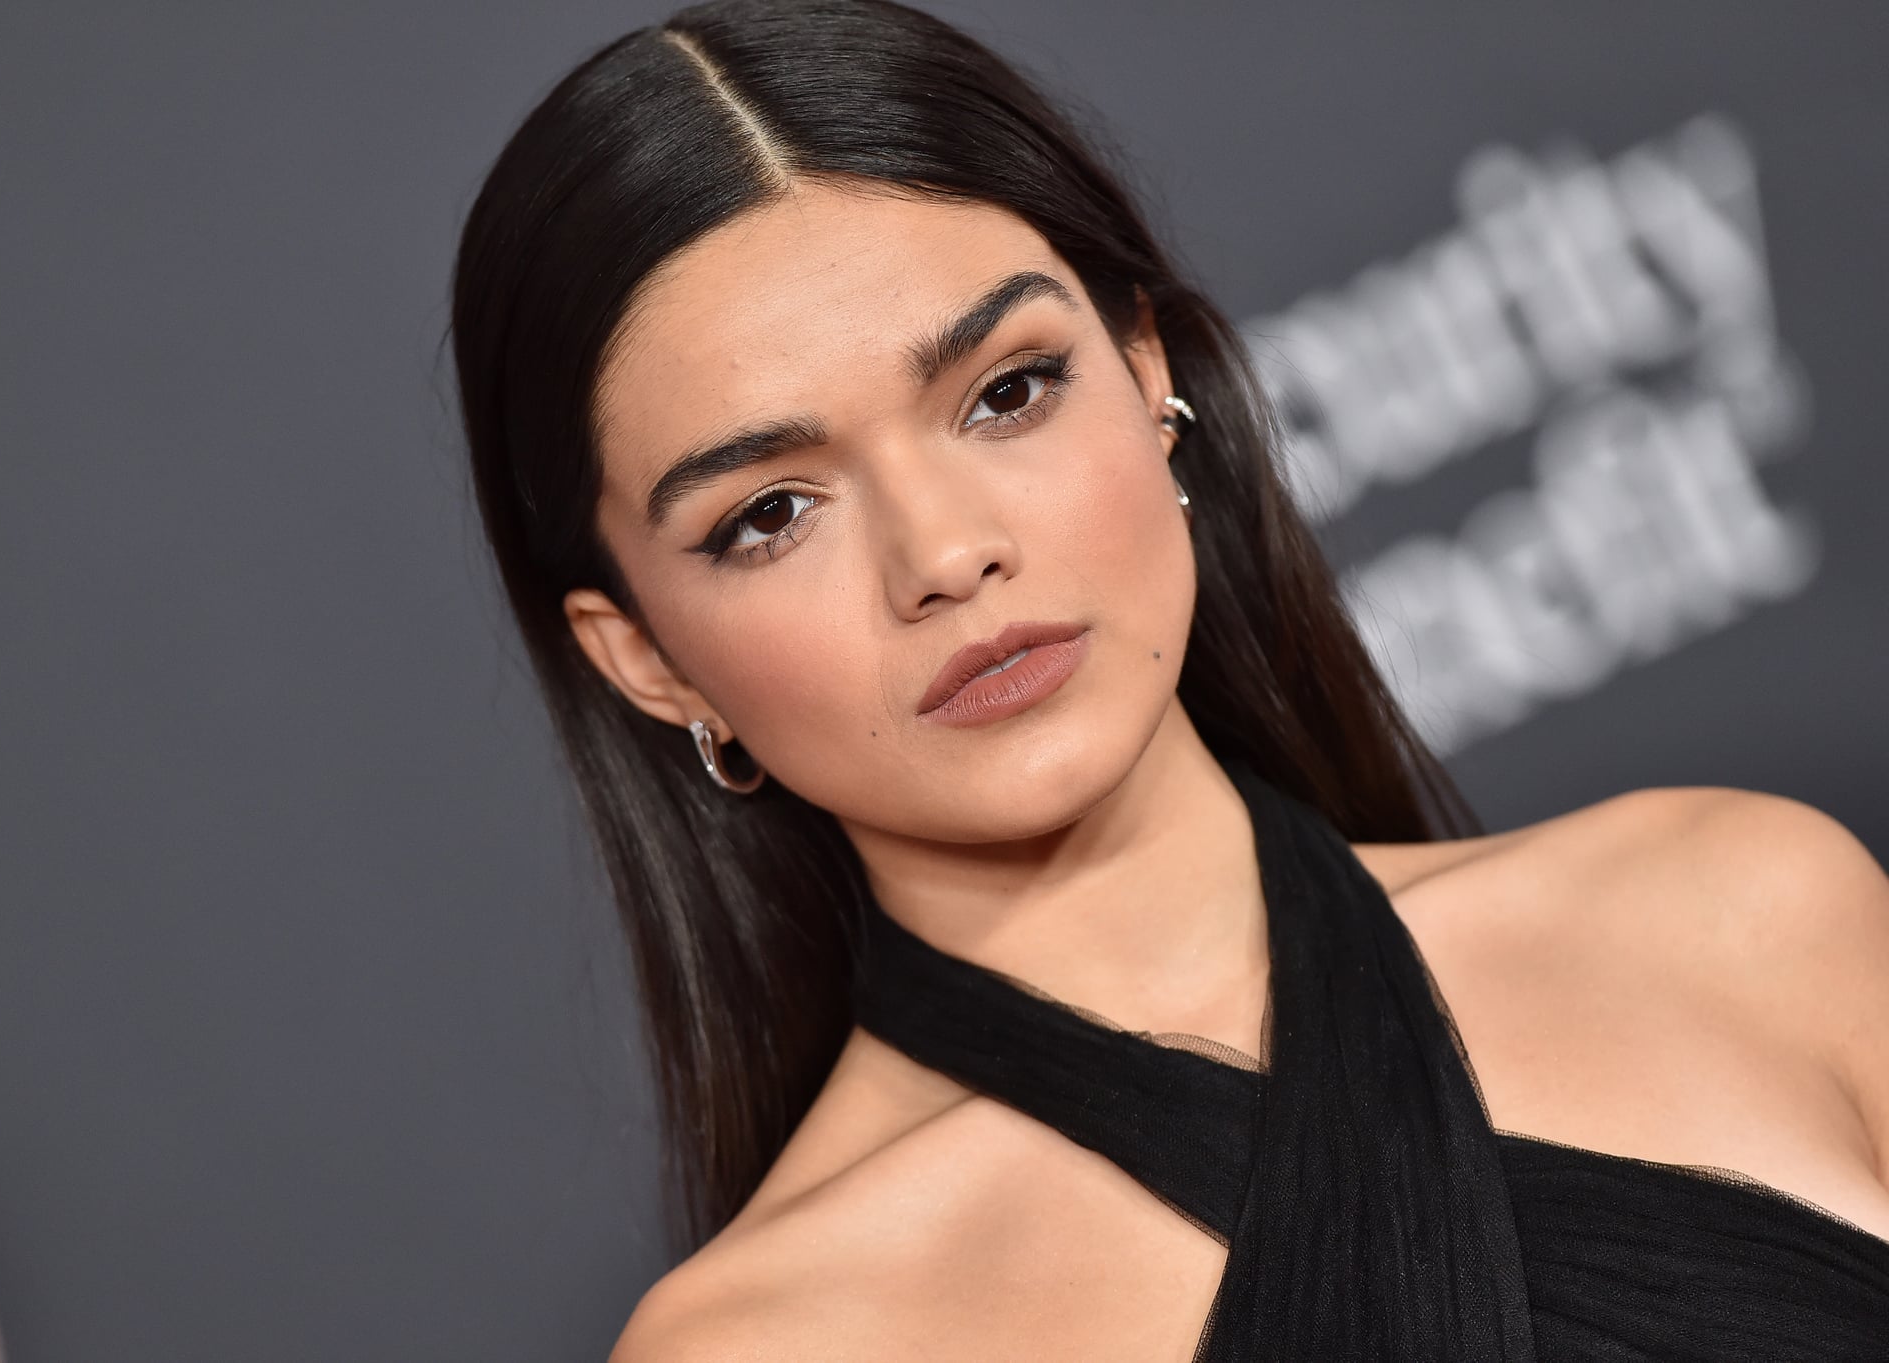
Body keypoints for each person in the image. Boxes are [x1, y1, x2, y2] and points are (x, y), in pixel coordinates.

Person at [447, 1, 1889, 1355]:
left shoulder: (1744, 913)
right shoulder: (772, 1342)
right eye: (771, 512)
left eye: (1006, 392)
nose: (945, 554)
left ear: (1147, 376)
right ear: (644, 656)